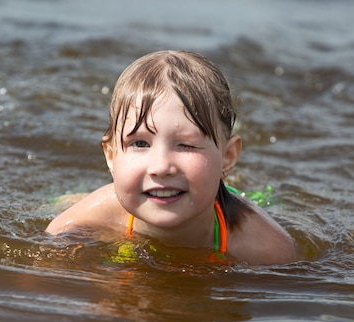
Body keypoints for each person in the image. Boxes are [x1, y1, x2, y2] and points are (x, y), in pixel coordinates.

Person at [46, 50, 299, 265]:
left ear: (227, 157)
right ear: (111, 156)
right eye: (140, 143)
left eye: (186, 145)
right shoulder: (96, 216)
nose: (161, 167)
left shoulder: (266, 247)